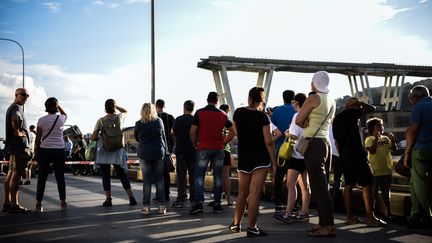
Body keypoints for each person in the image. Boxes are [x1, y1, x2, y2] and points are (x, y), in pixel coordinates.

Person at [333, 97, 387, 227]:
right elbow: (371, 108)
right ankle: (370, 217)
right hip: (355, 152)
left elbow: (336, 141)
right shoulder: (353, 112)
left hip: (344, 154)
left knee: (348, 184)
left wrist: (342, 155)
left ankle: (350, 217)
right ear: (354, 105)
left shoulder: (336, 119)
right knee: (367, 183)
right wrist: (358, 103)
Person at [229, 87, 276, 237]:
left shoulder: (238, 113)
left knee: (242, 193)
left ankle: (236, 224)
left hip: (244, 156)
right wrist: (274, 162)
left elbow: (237, 132)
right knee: (254, 193)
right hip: (260, 158)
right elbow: (268, 141)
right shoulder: (263, 117)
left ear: (249, 97)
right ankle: (252, 227)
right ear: (261, 100)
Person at [295, 71, 336, 237]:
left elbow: (299, 120)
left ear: (316, 82)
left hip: (313, 144)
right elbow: (326, 122)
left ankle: (329, 226)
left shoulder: (313, 98)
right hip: (325, 144)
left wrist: (305, 122)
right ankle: (323, 223)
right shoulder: (331, 100)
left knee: (319, 187)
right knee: (322, 185)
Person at [189, 92, 235, 215]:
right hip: (218, 148)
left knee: (199, 176)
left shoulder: (199, 113)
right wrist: (224, 142)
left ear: (207, 100)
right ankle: (217, 204)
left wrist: (195, 144)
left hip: (203, 147)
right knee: (218, 177)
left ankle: (198, 204)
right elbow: (232, 132)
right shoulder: (223, 114)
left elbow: (192, 132)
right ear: (217, 101)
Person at [91, 99, 137, 207]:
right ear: (114, 107)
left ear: (105, 107)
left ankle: (108, 200)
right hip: (117, 151)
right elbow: (125, 111)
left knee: (105, 175)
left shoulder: (101, 121)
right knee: (122, 175)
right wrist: (116, 107)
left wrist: (100, 136)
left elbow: (93, 138)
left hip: (104, 151)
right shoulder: (119, 118)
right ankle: (131, 198)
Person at [274, 93, 311, 223]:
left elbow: (293, 135)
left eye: (294, 103)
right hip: (306, 155)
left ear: (296, 103)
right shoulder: (310, 116)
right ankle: (304, 213)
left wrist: (288, 132)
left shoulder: (297, 116)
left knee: (291, 185)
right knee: (305, 186)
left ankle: (288, 213)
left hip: (295, 155)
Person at [403, 85, 432, 229]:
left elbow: (412, 132)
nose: (411, 101)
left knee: (420, 184)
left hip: (420, 150)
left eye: (411, 98)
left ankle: (427, 217)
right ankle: (415, 215)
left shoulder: (418, 107)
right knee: (415, 183)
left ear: (416, 97)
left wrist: (407, 153)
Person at [34, 97, 68, 212]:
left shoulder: (41, 120)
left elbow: (37, 139)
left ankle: (38, 204)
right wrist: (58, 106)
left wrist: (36, 151)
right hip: (59, 150)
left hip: (45, 150)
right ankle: (63, 202)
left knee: (42, 178)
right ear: (56, 107)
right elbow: (65, 113)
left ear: (46, 107)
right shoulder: (61, 119)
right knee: (60, 178)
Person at [134, 103, 167, 215]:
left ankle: (146, 207)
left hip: (144, 154)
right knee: (159, 180)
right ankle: (162, 206)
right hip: (158, 153)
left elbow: (137, 138)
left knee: (147, 181)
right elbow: (163, 137)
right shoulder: (159, 121)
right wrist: (165, 150)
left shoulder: (138, 124)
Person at [2, 88, 31, 213]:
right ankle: (14, 204)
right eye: (23, 95)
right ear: (16, 95)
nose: (26, 97)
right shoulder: (16, 108)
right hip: (19, 148)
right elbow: (15, 118)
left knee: (10, 174)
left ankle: (8, 202)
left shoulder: (12, 107)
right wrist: (18, 131)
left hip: (13, 147)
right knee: (16, 175)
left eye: (27, 95)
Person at [365, 117, 396, 220]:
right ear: (372, 128)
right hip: (374, 172)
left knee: (386, 193)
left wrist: (392, 140)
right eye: (379, 125)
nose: (381, 127)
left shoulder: (386, 139)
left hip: (386, 170)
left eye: (382, 125)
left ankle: (388, 212)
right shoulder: (369, 139)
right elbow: (372, 151)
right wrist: (376, 140)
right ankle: (371, 214)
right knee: (373, 194)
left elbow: (393, 149)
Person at [271, 90, 295, 212]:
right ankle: (294, 204)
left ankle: (278, 204)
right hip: (294, 149)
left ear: (283, 98)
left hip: (280, 149)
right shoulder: (296, 111)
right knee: (295, 178)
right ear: (293, 99)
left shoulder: (276, 111)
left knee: (279, 177)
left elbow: (273, 130)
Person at [172, 100, 196, 208]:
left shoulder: (178, 119)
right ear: (193, 108)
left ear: (184, 108)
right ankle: (194, 198)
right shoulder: (195, 119)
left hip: (181, 150)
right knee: (193, 175)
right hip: (192, 150)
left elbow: (173, 133)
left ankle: (181, 198)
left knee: (181, 175)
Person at [156, 99, 175, 202]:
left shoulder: (154, 118)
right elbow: (173, 134)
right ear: (164, 106)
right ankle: (166, 193)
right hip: (167, 148)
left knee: (157, 172)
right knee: (165, 172)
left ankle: (159, 194)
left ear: (156, 106)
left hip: (156, 148)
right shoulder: (170, 117)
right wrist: (171, 146)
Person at [220, 104, 233, 206]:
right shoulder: (228, 122)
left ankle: (218, 198)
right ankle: (229, 199)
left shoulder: (218, 120)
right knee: (226, 176)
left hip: (217, 149)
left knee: (218, 175)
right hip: (226, 150)